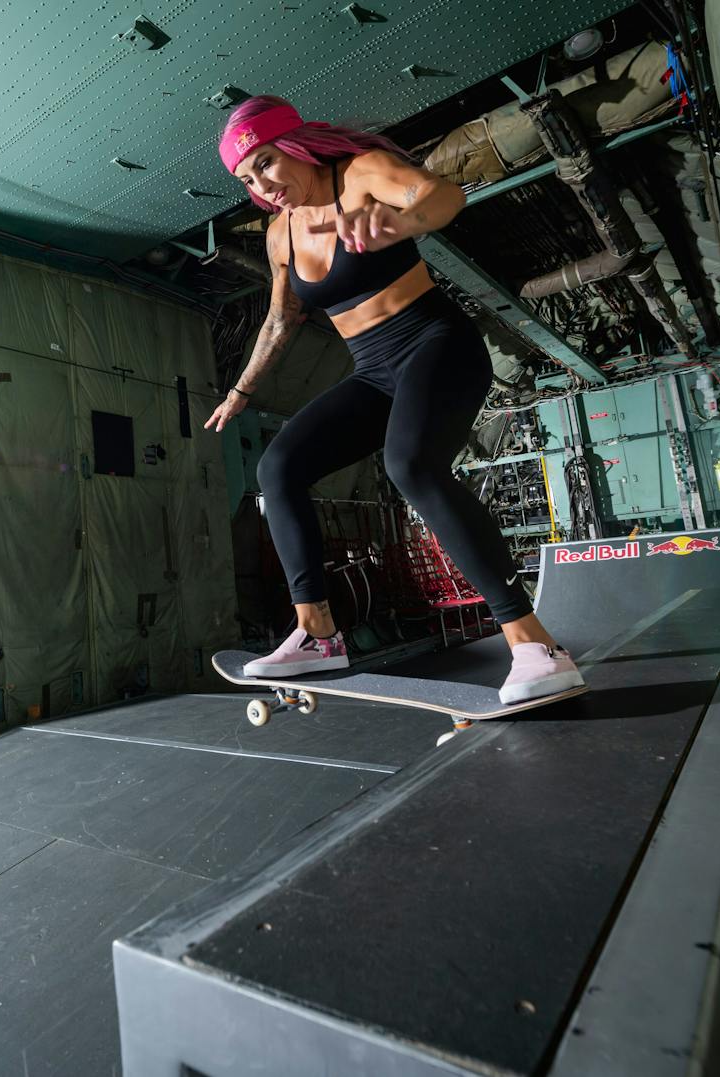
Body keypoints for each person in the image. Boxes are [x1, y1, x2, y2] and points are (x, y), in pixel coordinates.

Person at [204, 95, 583, 707]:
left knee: (411, 466)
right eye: (248, 179)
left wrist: (402, 222)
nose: (263, 185)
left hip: (437, 344)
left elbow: (442, 196)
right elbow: (279, 320)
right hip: (376, 372)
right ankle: (318, 632)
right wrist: (240, 391)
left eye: (267, 164)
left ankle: (535, 645)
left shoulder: (361, 175)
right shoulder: (280, 233)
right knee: (278, 469)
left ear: (294, 144)